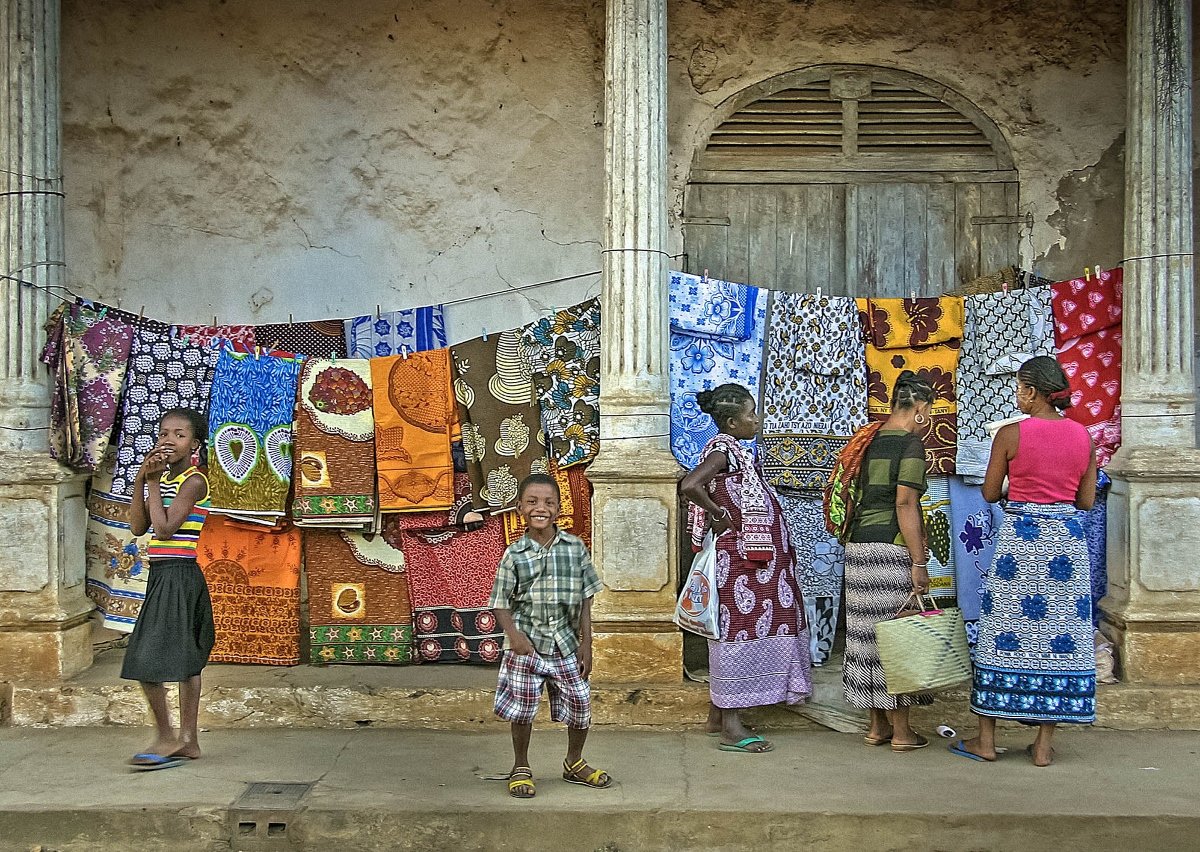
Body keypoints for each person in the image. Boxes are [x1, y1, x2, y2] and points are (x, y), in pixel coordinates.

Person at [951, 356, 1097, 767]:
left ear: (1032, 392)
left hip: (1021, 545)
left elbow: (991, 493)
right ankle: (1043, 747)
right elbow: (1085, 501)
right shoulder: (1084, 438)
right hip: (1065, 547)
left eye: (1019, 388)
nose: (1017, 395)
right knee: (1059, 640)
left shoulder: (1011, 434)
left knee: (1002, 634)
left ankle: (985, 741)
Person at [680, 383, 812, 754]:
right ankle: (732, 727)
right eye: (751, 415)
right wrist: (720, 514)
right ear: (731, 422)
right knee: (736, 632)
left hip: (751, 566)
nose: (757, 420)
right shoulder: (724, 450)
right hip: (739, 564)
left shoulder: (733, 450)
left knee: (737, 629)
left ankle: (716, 715)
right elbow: (690, 485)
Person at [489, 473, 612, 799]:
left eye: (548, 502)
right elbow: (499, 602)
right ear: (519, 508)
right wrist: (514, 637)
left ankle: (574, 762)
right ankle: (520, 766)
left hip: (566, 644)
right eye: (532, 502)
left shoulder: (575, 548)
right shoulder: (514, 555)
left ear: (559, 509)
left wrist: (587, 644)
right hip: (526, 646)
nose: (540, 508)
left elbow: (586, 598)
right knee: (523, 709)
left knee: (580, 704)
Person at [842, 371, 935, 752]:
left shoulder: (867, 438)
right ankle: (901, 732)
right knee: (896, 639)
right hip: (890, 549)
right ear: (919, 409)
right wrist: (918, 562)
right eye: (928, 410)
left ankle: (875, 727)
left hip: (857, 547)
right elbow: (905, 502)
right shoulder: (910, 445)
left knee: (865, 637)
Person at [122, 408, 215, 771]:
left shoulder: (194, 481)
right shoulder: (161, 482)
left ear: (194, 444)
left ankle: (168, 737)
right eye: (164, 433)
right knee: (183, 660)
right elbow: (136, 528)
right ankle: (186, 742)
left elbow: (164, 530)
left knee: (149, 659)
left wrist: (155, 483)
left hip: (180, 575)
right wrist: (140, 481)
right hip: (163, 575)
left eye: (179, 435)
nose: (169, 440)